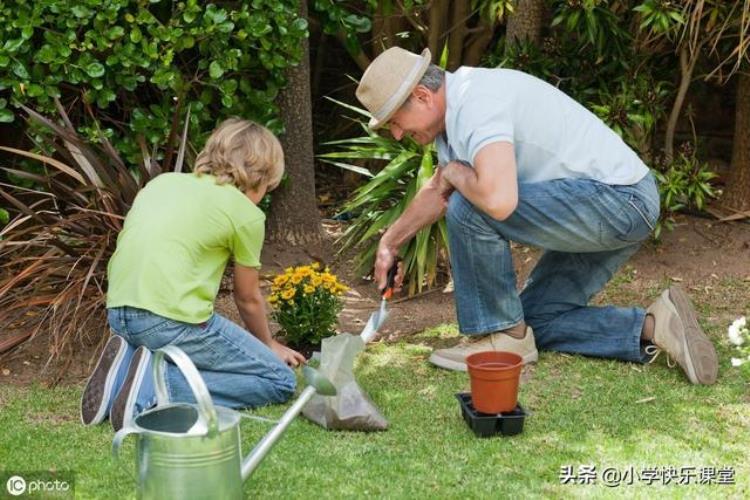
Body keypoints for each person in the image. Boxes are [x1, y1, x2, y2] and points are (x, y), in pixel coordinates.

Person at [354, 46, 718, 384]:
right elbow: (437, 191)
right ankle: (657, 325)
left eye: (396, 122)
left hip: (618, 201)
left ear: (422, 95)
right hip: (605, 205)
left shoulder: (476, 102)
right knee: (536, 322)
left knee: (470, 204)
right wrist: (390, 242)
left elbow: (497, 202)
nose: (399, 134)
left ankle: (501, 338)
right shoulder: (453, 121)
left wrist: (455, 175)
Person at [80, 118, 305, 431]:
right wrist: (268, 345)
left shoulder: (162, 183)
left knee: (167, 345)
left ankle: (124, 376)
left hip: (118, 313)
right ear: (263, 175)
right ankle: (157, 387)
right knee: (278, 379)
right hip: (170, 322)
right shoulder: (246, 214)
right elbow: (248, 297)